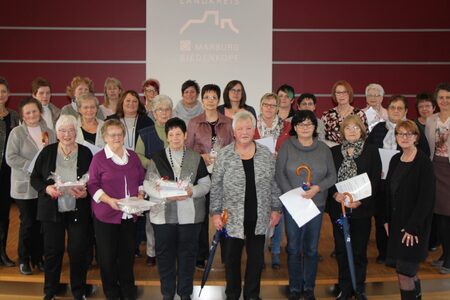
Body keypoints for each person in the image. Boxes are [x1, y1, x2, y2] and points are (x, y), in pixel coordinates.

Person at [211, 111, 281, 300]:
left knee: (256, 260)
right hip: (231, 217)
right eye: (240, 128)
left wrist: (276, 209)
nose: (244, 132)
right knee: (232, 259)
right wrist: (215, 213)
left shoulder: (265, 154)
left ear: (254, 130)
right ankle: (232, 294)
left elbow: (274, 183)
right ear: (233, 132)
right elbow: (216, 186)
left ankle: (252, 295)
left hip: (259, 216)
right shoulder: (225, 155)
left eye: (248, 128)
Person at [144, 117, 211, 300]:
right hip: (163, 217)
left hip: (190, 216)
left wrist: (192, 192)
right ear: (167, 137)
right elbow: (148, 184)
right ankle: (167, 293)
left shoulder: (196, 158)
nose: (175, 138)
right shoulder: (157, 158)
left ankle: (184, 293)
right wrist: (164, 194)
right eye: (171, 134)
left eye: (178, 134)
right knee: (165, 257)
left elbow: (206, 184)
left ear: (185, 135)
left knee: (188, 256)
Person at [30, 115, 93, 300]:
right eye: (63, 131)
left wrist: (86, 191)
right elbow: (34, 178)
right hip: (52, 210)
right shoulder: (47, 152)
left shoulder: (85, 152)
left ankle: (78, 291)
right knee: (52, 251)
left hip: (78, 209)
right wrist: (47, 187)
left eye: (71, 130)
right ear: (56, 133)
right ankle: (50, 291)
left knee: (78, 251)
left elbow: (94, 180)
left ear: (77, 132)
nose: (67, 134)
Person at [276, 110, 337, 300]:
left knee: (311, 249)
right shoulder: (287, 147)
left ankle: (309, 287)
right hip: (293, 205)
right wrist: (294, 195)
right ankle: (295, 287)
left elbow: (332, 176)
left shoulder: (324, 149)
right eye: (300, 124)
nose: (305, 127)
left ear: (315, 127)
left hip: (315, 205)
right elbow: (280, 175)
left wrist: (317, 188)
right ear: (294, 127)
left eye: (309, 124)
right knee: (294, 248)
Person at [367, 95, 430, 265]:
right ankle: (384, 253)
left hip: (406, 184)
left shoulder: (413, 129)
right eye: (393, 107)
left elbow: (423, 153)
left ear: (406, 111)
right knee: (383, 217)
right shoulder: (379, 128)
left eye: (399, 108)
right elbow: (370, 151)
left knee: (402, 217)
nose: (396, 111)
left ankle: (400, 252)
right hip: (382, 182)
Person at [87, 119, 145, 300]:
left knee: (127, 257)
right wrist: (108, 200)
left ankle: (128, 293)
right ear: (104, 137)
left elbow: (141, 180)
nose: (116, 137)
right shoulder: (99, 159)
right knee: (107, 259)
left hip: (129, 215)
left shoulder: (133, 156)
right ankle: (112, 294)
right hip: (106, 215)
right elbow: (92, 185)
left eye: (119, 134)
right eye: (112, 134)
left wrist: (141, 195)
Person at [327, 115, 381, 300]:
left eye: (355, 128)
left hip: (361, 210)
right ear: (342, 132)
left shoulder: (371, 151)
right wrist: (334, 194)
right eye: (348, 128)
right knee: (341, 249)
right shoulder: (334, 152)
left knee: (359, 250)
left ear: (362, 131)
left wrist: (361, 201)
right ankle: (345, 287)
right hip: (339, 209)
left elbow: (375, 179)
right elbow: (328, 178)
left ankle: (359, 288)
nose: (352, 131)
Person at [384, 120, 435, 300]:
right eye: (400, 133)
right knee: (408, 271)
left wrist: (413, 227)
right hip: (397, 224)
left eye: (409, 134)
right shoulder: (395, 159)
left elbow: (426, 200)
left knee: (405, 273)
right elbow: (388, 192)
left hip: (414, 228)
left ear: (416, 137)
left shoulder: (423, 163)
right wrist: (386, 220)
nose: (404, 137)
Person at [6, 97, 56, 275]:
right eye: (28, 112)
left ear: (40, 112)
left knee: (42, 224)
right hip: (24, 187)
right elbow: (10, 158)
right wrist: (31, 166)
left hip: (43, 187)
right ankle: (24, 259)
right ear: (23, 116)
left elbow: (54, 155)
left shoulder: (50, 132)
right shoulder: (17, 133)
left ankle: (38, 258)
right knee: (28, 224)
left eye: (34, 111)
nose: (32, 114)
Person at [186, 84, 234, 269]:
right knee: (202, 214)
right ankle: (201, 254)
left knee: (224, 214)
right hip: (201, 174)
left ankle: (227, 254)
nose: (210, 100)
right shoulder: (194, 122)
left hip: (224, 175)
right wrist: (201, 157)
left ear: (219, 100)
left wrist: (224, 157)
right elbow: (188, 150)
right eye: (207, 97)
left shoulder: (229, 122)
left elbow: (233, 147)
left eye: (214, 97)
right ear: (202, 100)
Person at [135, 94, 174, 266]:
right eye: (160, 110)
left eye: (167, 110)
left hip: (174, 182)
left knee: (172, 218)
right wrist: (151, 163)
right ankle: (152, 252)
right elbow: (137, 155)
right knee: (153, 219)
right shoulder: (145, 133)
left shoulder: (176, 130)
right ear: (154, 112)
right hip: (153, 181)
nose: (164, 113)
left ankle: (170, 250)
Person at [425, 82, 450, 274]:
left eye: (448, 97)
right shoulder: (431, 120)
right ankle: (444, 255)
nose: (444, 101)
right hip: (436, 169)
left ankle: (449, 259)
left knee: (448, 216)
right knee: (440, 215)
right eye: (441, 97)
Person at [0, 77, 19, 267]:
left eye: (4, 91)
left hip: (8, 173)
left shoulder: (13, 116)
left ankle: (2, 253)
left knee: (4, 214)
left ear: (8, 94)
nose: (1, 95)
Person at [321, 80, 367, 146]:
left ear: (349, 93)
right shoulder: (327, 115)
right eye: (338, 93)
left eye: (344, 92)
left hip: (355, 152)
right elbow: (322, 139)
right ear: (334, 95)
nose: (341, 95)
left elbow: (365, 136)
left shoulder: (359, 114)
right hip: (332, 153)